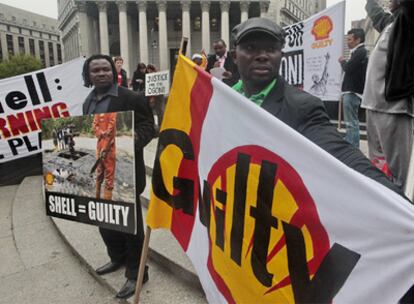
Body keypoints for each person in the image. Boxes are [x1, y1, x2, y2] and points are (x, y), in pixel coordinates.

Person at [230, 17, 406, 199]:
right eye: (251, 48)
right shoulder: (222, 96)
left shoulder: (302, 107)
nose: (262, 55)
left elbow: (345, 157)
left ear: (281, 56)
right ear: (234, 56)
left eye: (271, 49)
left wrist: (400, 206)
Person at [82, 54, 154, 299]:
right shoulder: (88, 102)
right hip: (100, 171)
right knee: (105, 220)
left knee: (130, 225)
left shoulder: (130, 97)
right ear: (88, 75)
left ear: (113, 72)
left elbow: (148, 126)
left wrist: (133, 139)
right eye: (96, 71)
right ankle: (118, 258)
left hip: (126, 171)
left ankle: (137, 273)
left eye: (106, 69)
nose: (102, 74)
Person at [362, 0, 414, 190]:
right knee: (378, 165)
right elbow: (376, 13)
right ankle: (383, 198)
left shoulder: (407, 20)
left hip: (394, 107)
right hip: (372, 104)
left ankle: (402, 207)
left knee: (399, 172)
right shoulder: (390, 24)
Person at [338, 28, 368, 148]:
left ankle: (353, 145)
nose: (348, 42)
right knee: (350, 121)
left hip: (352, 92)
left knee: (351, 122)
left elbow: (349, 68)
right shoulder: (357, 52)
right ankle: (350, 141)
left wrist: (342, 62)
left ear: (358, 40)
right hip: (350, 91)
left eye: (350, 39)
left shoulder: (360, 52)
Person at [93, 113, 116, 200]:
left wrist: (101, 133)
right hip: (109, 146)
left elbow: (95, 126)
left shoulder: (97, 112)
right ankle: (106, 205)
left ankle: (97, 200)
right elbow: (111, 128)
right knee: (109, 177)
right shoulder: (112, 111)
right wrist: (105, 145)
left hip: (101, 145)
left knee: (99, 173)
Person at [146, 64, 165, 130]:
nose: (149, 71)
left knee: (160, 112)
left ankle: (161, 126)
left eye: (150, 70)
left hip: (159, 98)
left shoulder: (158, 76)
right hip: (152, 97)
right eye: (148, 70)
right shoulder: (148, 77)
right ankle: (154, 126)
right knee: (152, 113)